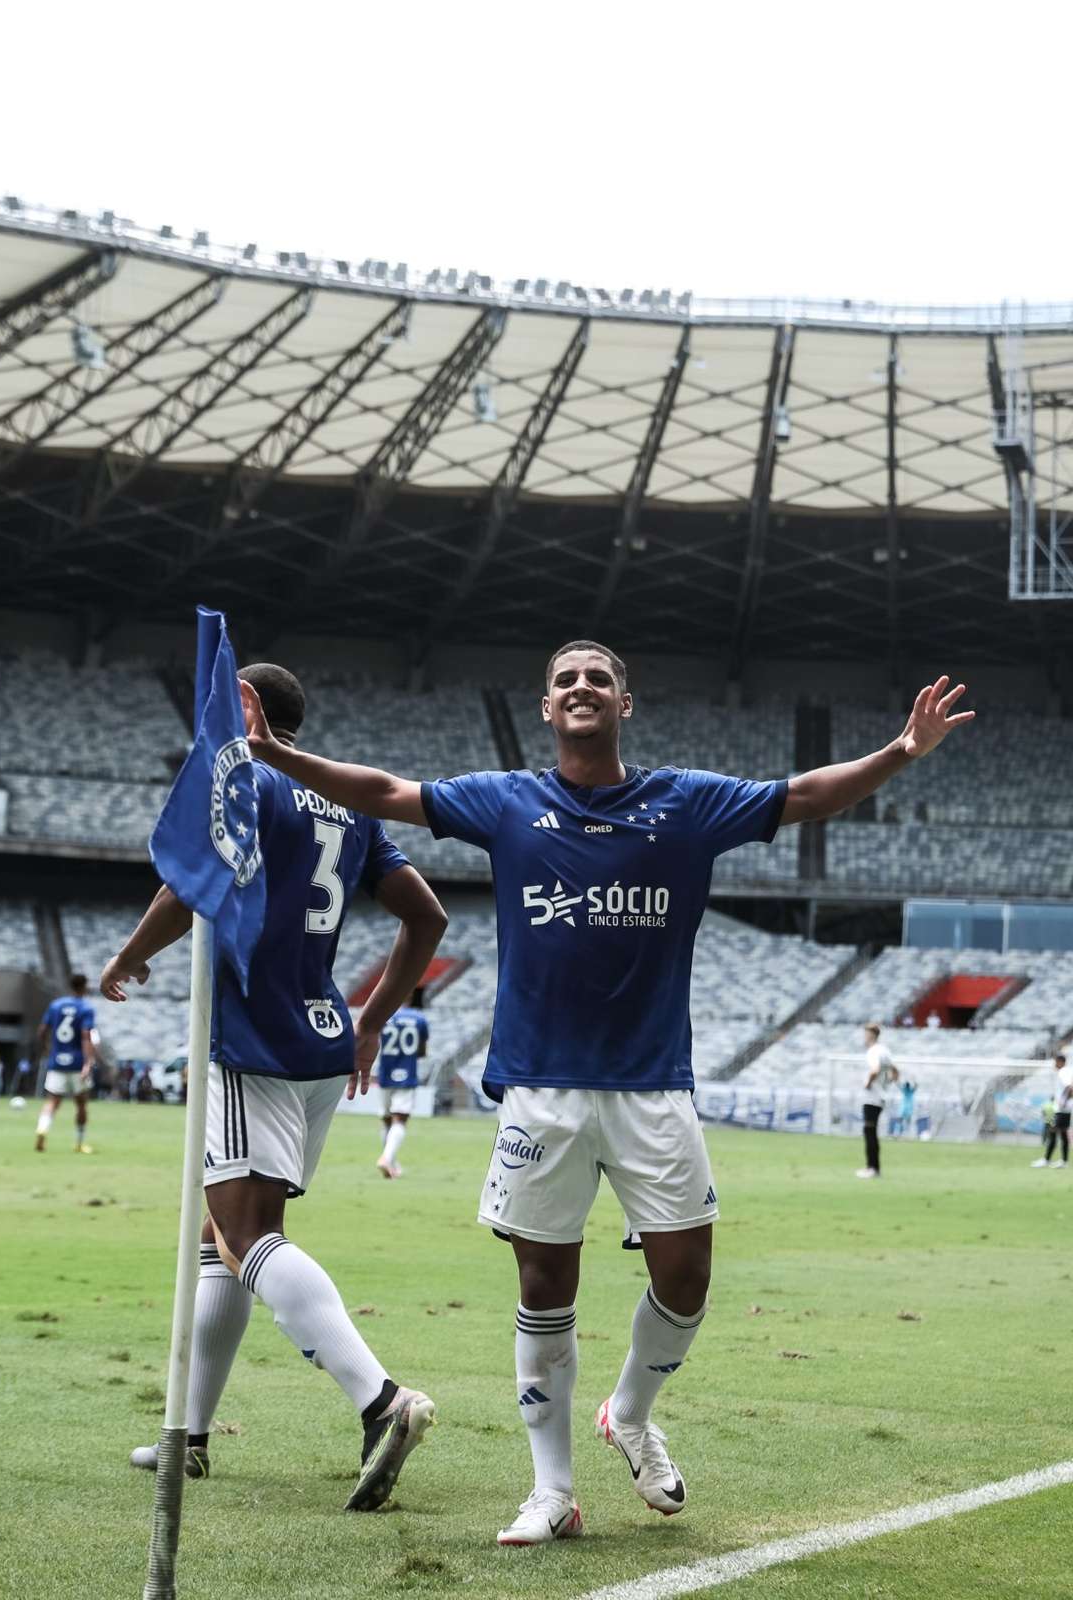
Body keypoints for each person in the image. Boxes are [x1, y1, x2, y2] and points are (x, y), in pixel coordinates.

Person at [243, 642, 975, 1545]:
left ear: (626, 703)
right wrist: (279, 757)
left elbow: (807, 794)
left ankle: (629, 1412)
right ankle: (552, 1491)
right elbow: (389, 793)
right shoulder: (508, 800)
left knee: (687, 1275)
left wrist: (901, 751)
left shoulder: (689, 801)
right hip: (541, 1090)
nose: (582, 687)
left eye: (599, 678)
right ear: (546, 708)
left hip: (651, 1087)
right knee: (545, 1283)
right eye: (566, 681)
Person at [102, 661, 447, 1511]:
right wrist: (370, 1022)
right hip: (325, 1040)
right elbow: (428, 918)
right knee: (226, 1244)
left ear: (249, 707)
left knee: (248, 1234)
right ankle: (190, 1435)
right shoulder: (347, 800)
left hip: (248, 1038)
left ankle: (382, 1401)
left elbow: (187, 890)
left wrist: (131, 954)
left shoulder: (244, 778)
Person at [34, 975, 97, 1153]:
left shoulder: (55, 1005)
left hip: (57, 1061)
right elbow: (86, 1036)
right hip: (77, 1062)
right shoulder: (86, 1008)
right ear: (84, 987)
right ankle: (79, 1142)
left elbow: (41, 1031)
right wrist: (87, 1062)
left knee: (52, 1101)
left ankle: (42, 1129)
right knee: (81, 1104)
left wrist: (48, 1049)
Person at [376, 989, 429, 1179]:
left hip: (385, 1074)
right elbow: (422, 1051)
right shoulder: (419, 1019)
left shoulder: (383, 1016)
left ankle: (391, 1163)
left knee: (387, 1120)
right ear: (409, 996)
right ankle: (386, 1158)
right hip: (407, 1075)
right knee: (400, 1120)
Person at [857, 1023, 898, 1178]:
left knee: (869, 1131)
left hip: (871, 1097)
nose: (864, 1037)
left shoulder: (873, 1051)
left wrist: (868, 1083)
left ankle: (872, 1168)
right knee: (871, 1131)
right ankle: (874, 1168)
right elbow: (895, 1071)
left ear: (871, 1035)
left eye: (866, 1034)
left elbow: (874, 1070)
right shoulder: (885, 1051)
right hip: (881, 1096)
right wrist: (887, 1084)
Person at [1031, 1054, 1071, 1168]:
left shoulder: (1063, 1072)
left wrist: (1063, 1101)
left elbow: (1070, 1087)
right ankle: (1064, 1161)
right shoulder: (1067, 1071)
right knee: (1063, 1134)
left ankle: (1046, 1159)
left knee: (1052, 1130)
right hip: (1065, 1109)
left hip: (1062, 1109)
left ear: (1060, 1062)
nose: (1054, 1065)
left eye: (1055, 1062)